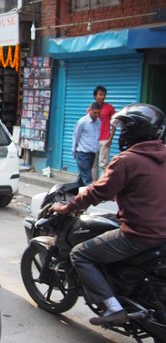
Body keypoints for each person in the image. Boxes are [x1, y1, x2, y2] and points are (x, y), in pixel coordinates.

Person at [50, 103, 166, 326]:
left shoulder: (127, 161)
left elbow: (98, 191)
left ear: (136, 130)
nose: (121, 133)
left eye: (125, 128)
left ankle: (114, 308)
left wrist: (68, 206)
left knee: (80, 254)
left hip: (139, 236)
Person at [73, 101, 102, 186]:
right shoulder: (82, 122)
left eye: (98, 113)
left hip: (92, 154)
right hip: (82, 154)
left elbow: (96, 137)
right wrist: (74, 152)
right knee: (88, 179)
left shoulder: (99, 122)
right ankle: (92, 198)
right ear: (89, 110)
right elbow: (76, 137)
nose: (96, 115)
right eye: (95, 113)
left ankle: (74, 194)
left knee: (82, 177)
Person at [91, 86, 115, 180]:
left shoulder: (110, 108)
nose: (102, 97)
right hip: (93, 141)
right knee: (93, 166)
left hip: (105, 139)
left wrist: (111, 138)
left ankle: (101, 188)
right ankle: (93, 187)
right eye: (100, 94)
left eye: (104, 95)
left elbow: (114, 124)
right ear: (95, 96)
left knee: (103, 165)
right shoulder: (90, 108)